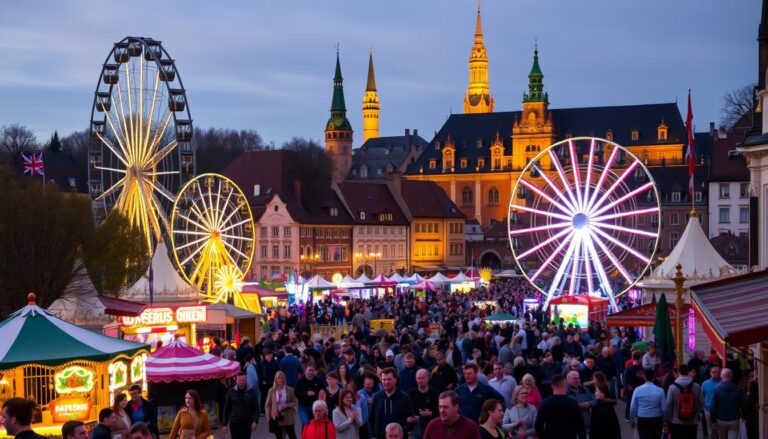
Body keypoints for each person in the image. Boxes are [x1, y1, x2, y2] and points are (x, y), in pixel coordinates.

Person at [368, 368, 415, 439]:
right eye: (384, 379)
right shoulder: (377, 397)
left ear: (395, 379)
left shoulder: (404, 397)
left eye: (389, 379)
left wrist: (400, 432)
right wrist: (372, 436)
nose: (386, 382)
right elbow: (370, 419)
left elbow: (412, 420)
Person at [534, 375, 585, 439]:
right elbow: (580, 426)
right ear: (565, 386)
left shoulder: (545, 403)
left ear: (552, 386)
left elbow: (538, 425)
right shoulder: (573, 403)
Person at [665, 363, 704, 439]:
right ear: (688, 372)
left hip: (676, 421)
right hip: (692, 420)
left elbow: (669, 404)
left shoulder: (672, 387)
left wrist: (670, 418)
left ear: (678, 372)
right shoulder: (696, 386)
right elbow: (702, 402)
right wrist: (695, 412)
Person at [629, 368, 666, 439]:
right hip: (657, 419)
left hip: (642, 419)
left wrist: (632, 420)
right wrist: (665, 420)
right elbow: (664, 409)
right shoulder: (660, 390)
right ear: (654, 377)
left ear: (644, 377)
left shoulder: (637, 390)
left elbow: (633, 408)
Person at [711, 368, 747, 439]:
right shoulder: (739, 390)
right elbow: (744, 405)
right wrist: (744, 416)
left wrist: (713, 420)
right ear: (732, 376)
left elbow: (713, 406)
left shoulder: (716, 390)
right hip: (734, 419)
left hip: (721, 419)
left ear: (721, 376)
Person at [224, 371, 261, 439]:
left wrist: (255, 421)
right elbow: (227, 408)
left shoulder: (251, 392)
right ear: (236, 380)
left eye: (243, 380)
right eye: (239, 380)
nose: (241, 382)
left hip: (247, 423)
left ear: (246, 380)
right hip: (234, 422)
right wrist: (225, 424)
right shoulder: (231, 392)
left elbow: (256, 408)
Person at [265, 371, 299, 439]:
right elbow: (268, 405)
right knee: (279, 437)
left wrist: (287, 405)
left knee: (292, 435)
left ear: (284, 379)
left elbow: (295, 402)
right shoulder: (271, 390)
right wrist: (268, 417)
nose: (280, 379)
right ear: (276, 379)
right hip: (276, 417)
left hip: (288, 417)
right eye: (278, 378)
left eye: (282, 378)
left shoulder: (290, 389)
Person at [407, 369, 439, 439]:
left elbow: (441, 412)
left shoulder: (435, 393)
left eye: (423, 378)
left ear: (428, 378)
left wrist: (431, 414)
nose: (420, 380)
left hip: (431, 426)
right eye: (418, 378)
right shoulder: (410, 394)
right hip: (414, 428)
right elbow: (404, 410)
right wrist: (407, 418)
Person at [295, 363, 325, 430]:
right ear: (305, 371)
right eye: (309, 370)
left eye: (312, 370)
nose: (311, 372)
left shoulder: (318, 380)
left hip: (315, 407)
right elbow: (296, 393)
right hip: (303, 406)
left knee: (314, 424)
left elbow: (323, 391)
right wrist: (306, 393)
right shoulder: (300, 381)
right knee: (306, 422)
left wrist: (316, 393)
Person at [700, 365, 721, 439]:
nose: (715, 374)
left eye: (717, 372)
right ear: (710, 373)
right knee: (710, 430)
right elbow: (702, 396)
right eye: (713, 372)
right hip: (708, 409)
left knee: (720, 430)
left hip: (720, 410)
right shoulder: (705, 384)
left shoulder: (722, 383)